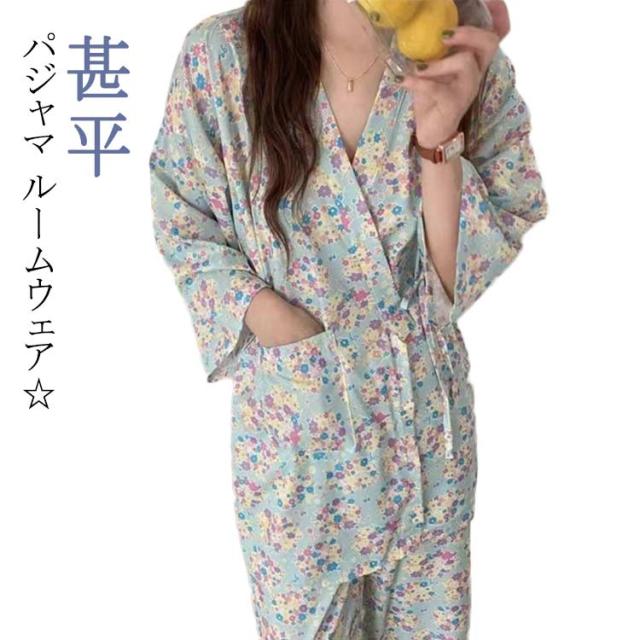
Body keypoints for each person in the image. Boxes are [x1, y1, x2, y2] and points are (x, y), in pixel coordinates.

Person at [148, 0, 548, 637]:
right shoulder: (222, 55)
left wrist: (439, 140)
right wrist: (272, 318)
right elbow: (182, 217)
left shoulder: (457, 52)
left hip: (425, 440)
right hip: (297, 440)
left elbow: (453, 283)